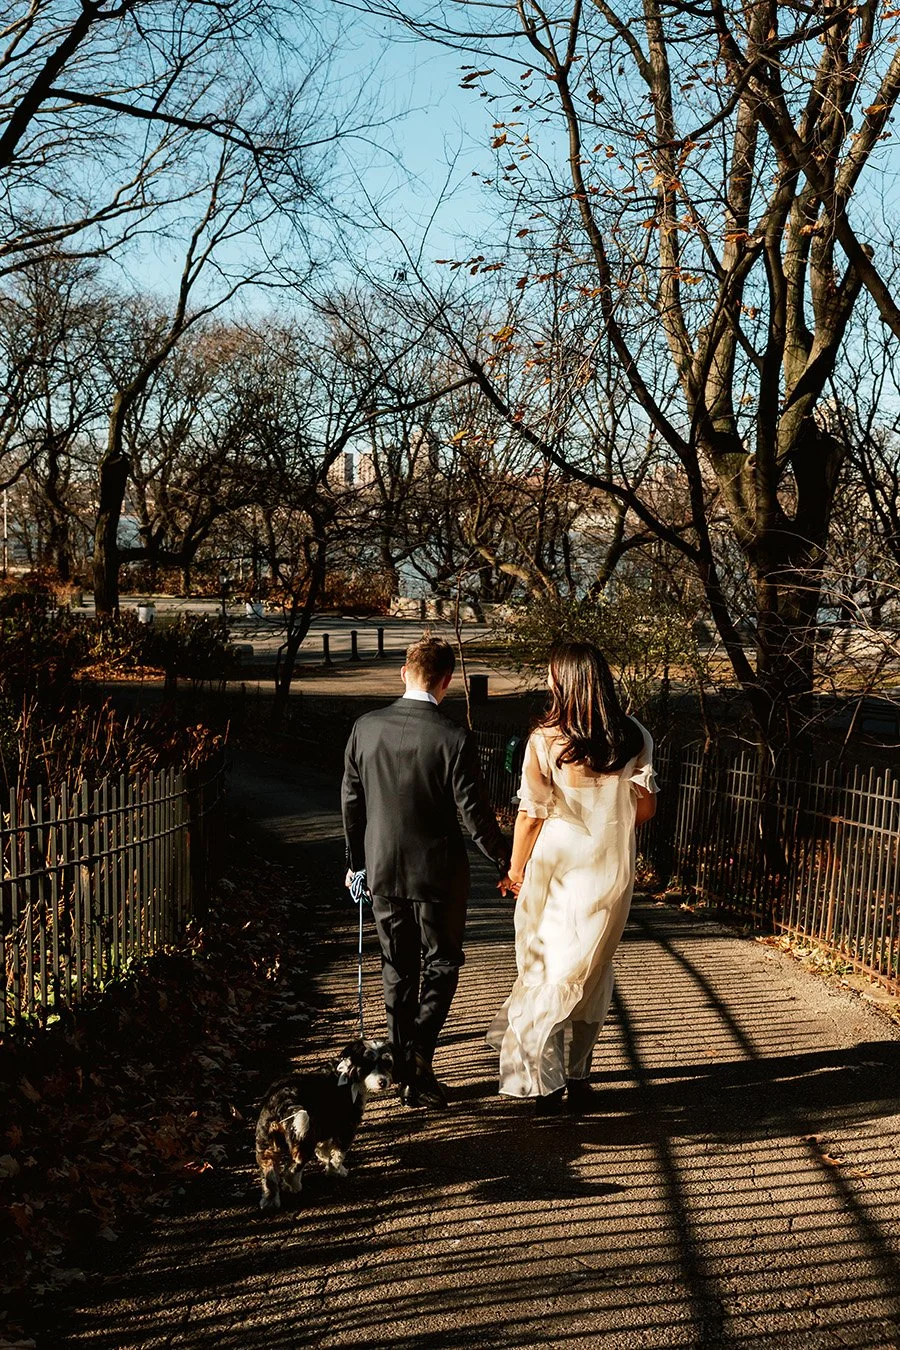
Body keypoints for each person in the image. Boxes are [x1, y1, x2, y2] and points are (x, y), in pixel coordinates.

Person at [487, 641, 657, 1115]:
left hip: (558, 868)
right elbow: (645, 809)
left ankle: (545, 1082)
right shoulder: (634, 735)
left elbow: (531, 814)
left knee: (546, 970)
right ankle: (579, 1076)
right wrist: (611, 814)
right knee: (591, 972)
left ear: (563, 681)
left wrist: (515, 869)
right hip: (610, 870)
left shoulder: (546, 739)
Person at [342, 634, 510, 1109]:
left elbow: (351, 803)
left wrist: (356, 864)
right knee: (442, 963)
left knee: (397, 968)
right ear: (447, 681)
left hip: (382, 871)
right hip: (438, 874)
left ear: (404, 672)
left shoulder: (364, 728)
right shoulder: (453, 737)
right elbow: (473, 814)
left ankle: (402, 1061)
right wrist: (506, 859)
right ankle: (418, 1060)